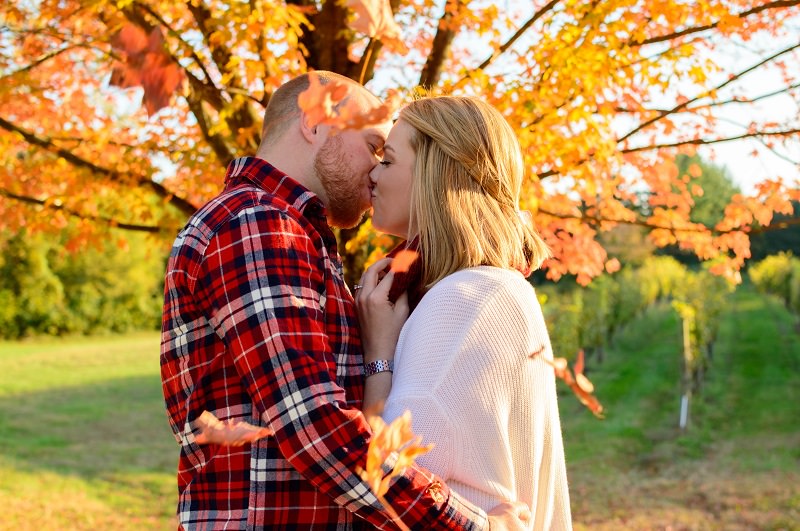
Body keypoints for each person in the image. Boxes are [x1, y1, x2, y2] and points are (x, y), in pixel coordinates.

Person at [160, 71, 530, 530]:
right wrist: (473, 525)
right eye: (374, 145)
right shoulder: (256, 226)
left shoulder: (295, 237)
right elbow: (313, 426)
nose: (375, 168)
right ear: (315, 123)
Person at [356, 96, 573, 530]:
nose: (372, 175)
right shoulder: (490, 288)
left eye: (388, 160)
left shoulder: (465, 301)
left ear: (436, 176)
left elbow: (380, 480)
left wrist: (378, 352)